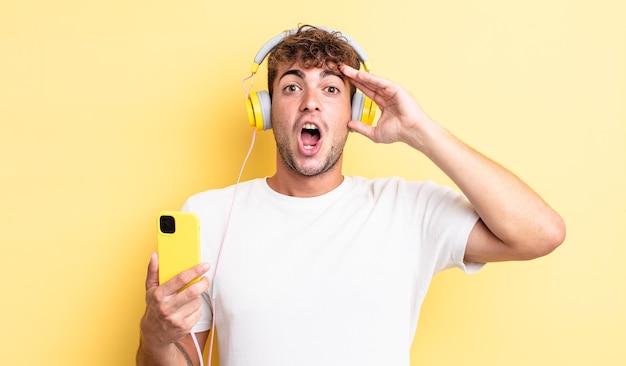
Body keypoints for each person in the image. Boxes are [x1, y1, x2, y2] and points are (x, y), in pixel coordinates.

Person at [136, 25, 565, 366]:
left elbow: (541, 232)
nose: (310, 103)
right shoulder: (209, 216)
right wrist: (155, 339)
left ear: (356, 112)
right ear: (265, 112)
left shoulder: (406, 209)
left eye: (331, 88)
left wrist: (421, 131)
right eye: (291, 87)